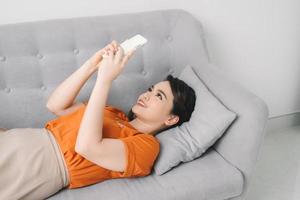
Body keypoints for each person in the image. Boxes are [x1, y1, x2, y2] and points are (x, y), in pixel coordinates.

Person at [0, 41, 196, 200]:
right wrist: (91, 66)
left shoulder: (146, 147)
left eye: (159, 96)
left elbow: (86, 147)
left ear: (171, 118)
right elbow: (56, 105)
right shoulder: (112, 113)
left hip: (36, 167)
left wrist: (105, 80)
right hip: (18, 138)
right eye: (151, 89)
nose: (147, 95)